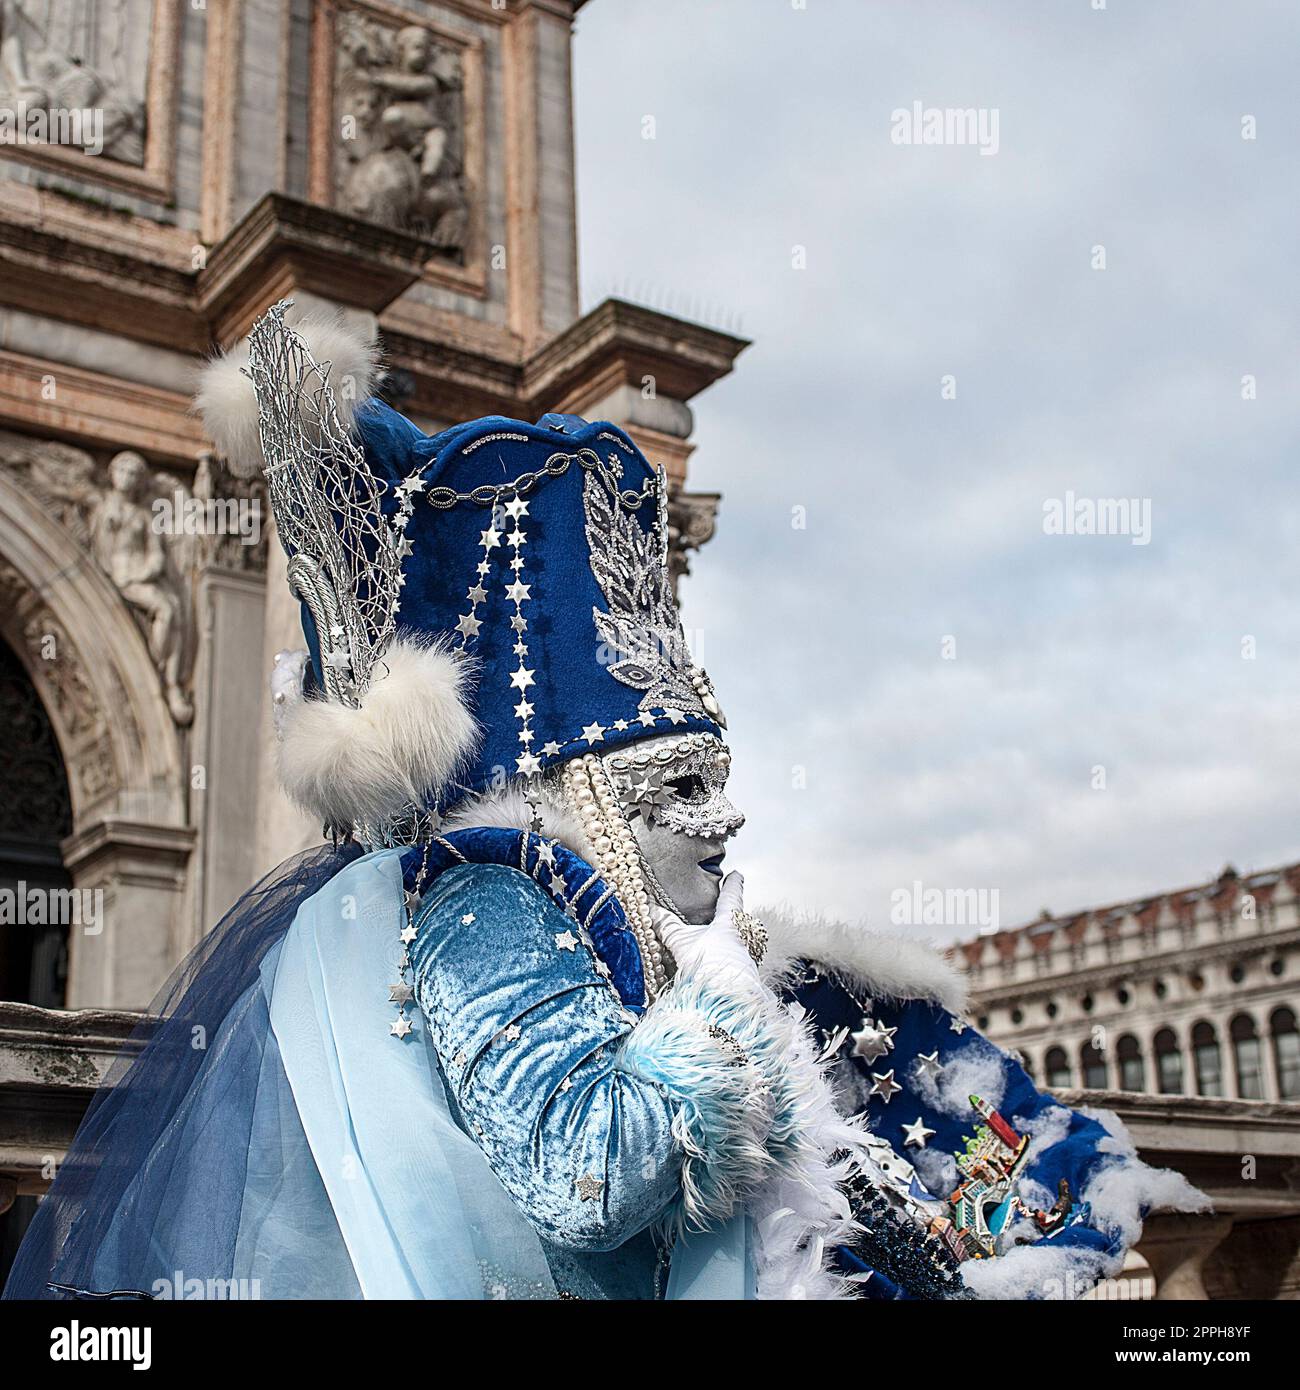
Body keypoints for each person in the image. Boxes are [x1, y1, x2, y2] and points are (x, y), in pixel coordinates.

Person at [3, 303, 1201, 1301]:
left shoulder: (642, 923)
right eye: (680, 788)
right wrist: (735, 1010)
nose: (723, 819)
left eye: (719, 779)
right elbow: (584, 1172)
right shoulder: (486, 910)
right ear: (590, 798)